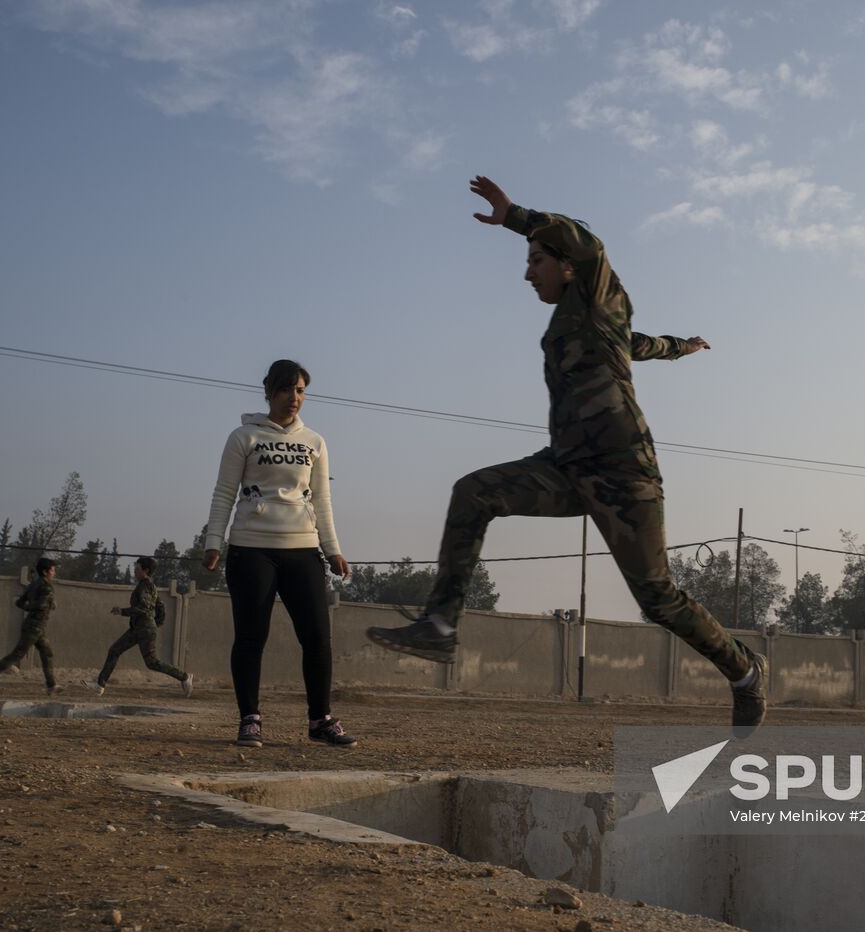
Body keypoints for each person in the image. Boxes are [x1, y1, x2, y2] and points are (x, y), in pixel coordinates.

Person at [366, 176, 767, 730]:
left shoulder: (598, 292)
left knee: (657, 599)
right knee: (473, 491)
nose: (527, 272)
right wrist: (684, 347)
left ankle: (745, 670)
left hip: (624, 471)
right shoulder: (585, 324)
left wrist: (514, 215)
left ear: (568, 267)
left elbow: (591, 247)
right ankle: (439, 625)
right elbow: (644, 345)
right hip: (565, 466)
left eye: (537, 261)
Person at [202, 359, 356, 749]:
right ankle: (250, 719)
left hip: (302, 550)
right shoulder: (243, 437)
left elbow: (322, 500)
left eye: (302, 390)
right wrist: (213, 542)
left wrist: (332, 549)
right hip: (251, 549)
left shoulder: (315, 442)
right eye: (287, 389)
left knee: (318, 638)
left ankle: (320, 720)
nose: (295, 398)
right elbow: (224, 493)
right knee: (252, 637)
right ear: (269, 391)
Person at [85, 556, 193, 698]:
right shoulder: (149, 586)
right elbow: (160, 606)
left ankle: (184, 677)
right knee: (116, 651)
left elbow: (143, 607)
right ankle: (100, 685)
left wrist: (122, 611)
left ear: (145, 570)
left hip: (143, 629)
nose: (135, 571)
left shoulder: (145, 586)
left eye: (137, 568)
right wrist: (156, 623)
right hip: (140, 629)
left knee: (150, 662)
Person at [0, 557, 61, 695]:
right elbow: (41, 605)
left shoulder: (33, 585)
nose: (54, 573)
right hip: (35, 626)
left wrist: (32, 606)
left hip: (36, 626)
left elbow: (19, 603)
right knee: (17, 655)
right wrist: (49, 604)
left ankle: (51, 685)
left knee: (47, 653)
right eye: (52, 570)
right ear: (45, 571)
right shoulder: (46, 587)